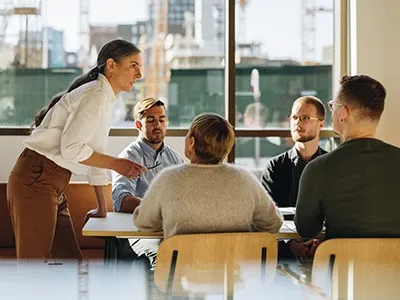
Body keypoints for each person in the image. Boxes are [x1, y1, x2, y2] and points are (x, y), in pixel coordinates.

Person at [7, 39, 147, 259]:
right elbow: (72, 149)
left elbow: (94, 155)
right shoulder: (96, 94)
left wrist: (103, 208)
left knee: (73, 268)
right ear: (111, 65)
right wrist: (117, 164)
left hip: (51, 183)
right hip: (37, 179)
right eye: (133, 65)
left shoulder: (104, 97)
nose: (139, 74)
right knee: (33, 272)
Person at [133, 112, 283, 239]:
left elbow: (144, 223)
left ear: (191, 142)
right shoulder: (245, 179)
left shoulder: (169, 178)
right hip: (233, 270)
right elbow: (273, 223)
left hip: (183, 271)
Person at [295, 75, 400, 240]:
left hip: (343, 265)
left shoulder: (319, 168)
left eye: (333, 106)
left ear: (343, 112)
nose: (332, 111)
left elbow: (306, 229)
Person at [111, 97, 184, 265]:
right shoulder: (129, 157)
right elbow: (121, 202)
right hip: (139, 232)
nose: (157, 125)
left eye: (161, 120)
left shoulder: (175, 159)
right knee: (162, 258)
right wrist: (158, 209)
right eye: (151, 120)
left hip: (170, 230)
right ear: (138, 125)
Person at [261, 96, 326, 259]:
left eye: (305, 118)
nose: (297, 123)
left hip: (326, 252)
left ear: (321, 124)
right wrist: (289, 245)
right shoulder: (275, 167)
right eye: (294, 117)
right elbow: (264, 217)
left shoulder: (333, 165)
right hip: (282, 256)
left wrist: (320, 242)